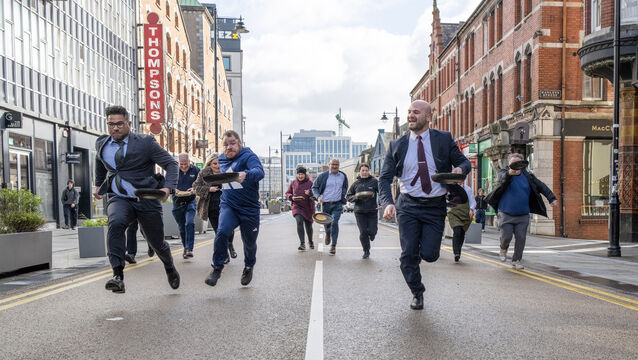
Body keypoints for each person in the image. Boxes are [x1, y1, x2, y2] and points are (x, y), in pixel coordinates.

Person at [379, 100, 470, 310]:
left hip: (434, 205)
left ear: (429, 117)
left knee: (430, 255)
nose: (411, 115)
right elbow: (384, 178)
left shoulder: (443, 139)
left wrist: (460, 170)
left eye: (416, 112)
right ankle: (417, 292)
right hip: (408, 205)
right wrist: (388, 204)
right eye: (409, 112)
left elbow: (463, 162)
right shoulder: (397, 145)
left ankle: (417, 252)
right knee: (408, 255)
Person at [92, 105, 180, 294]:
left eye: (119, 124)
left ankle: (169, 266)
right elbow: (100, 162)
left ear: (129, 123)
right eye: (111, 124)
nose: (115, 128)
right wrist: (98, 185)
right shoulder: (101, 143)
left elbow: (171, 164)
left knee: (157, 242)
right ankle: (118, 276)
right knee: (115, 224)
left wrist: (167, 187)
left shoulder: (145, 142)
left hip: (146, 198)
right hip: (119, 197)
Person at [204, 130, 264, 287]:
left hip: (249, 208)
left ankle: (249, 266)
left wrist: (247, 174)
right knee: (222, 232)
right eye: (225, 144)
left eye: (232, 143)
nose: (228, 147)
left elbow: (259, 172)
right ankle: (217, 268)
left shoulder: (248, 156)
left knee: (249, 243)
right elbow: (208, 173)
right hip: (229, 205)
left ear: (240, 143)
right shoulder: (222, 158)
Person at [486, 153, 558, 270]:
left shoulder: (528, 176)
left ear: (522, 165)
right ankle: (503, 248)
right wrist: (510, 173)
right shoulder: (503, 173)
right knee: (506, 236)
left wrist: (552, 198)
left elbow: (542, 186)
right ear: (509, 165)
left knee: (521, 238)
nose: (515, 166)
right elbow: (501, 180)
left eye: (517, 164)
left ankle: (517, 260)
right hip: (506, 213)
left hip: (523, 214)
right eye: (512, 164)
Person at [193, 152, 236, 264]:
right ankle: (225, 255)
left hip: (227, 206)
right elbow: (196, 187)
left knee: (230, 230)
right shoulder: (204, 173)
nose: (217, 166)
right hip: (211, 206)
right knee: (219, 232)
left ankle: (230, 244)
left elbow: (237, 186)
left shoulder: (228, 171)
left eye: (219, 163)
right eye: (214, 164)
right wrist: (208, 189)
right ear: (210, 164)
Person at [312, 158, 348, 255]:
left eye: (336, 164)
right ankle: (328, 233)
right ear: (329, 165)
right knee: (327, 224)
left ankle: (333, 246)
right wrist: (318, 196)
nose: (334, 166)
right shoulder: (323, 176)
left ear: (339, 165)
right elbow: (314, 187)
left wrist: (342, 196)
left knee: (334, 223)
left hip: (337, 204)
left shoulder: (343, 176)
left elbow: (345, 187)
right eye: (333, 164)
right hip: (326, 205)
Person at [346, 163, 380, 259]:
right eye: (363, 170)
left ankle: (372, 234)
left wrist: (381, 203)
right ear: (359, 172)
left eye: (366, 170)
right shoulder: (355, 184)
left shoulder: (374, 182)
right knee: (363, 232)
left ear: (369, 171)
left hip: (372, 211)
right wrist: (356, 197)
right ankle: (366, 250)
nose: (364, 172)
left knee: (372, 231)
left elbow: (381, 192)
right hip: (359, 211)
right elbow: (348, 197)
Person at [172, 153, 200, 259]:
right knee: (182, 228)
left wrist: (195, 190)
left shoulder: (196, 170)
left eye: (186, 164)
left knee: (189, 223)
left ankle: (189, 249)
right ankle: (185, 247)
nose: (184, 166)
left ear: (189, 161)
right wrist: (174, 190)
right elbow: (167, 185)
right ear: (178, 163)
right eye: (181, 164)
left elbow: (201, 184)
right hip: (177, 203)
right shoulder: (173, 171)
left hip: (190, 202)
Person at [285, 166, 315, 251]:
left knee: (308, 226)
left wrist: (310, 193)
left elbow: (315, 193)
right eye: (298, 174)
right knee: (299, 221)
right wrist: (291, 197)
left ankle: (310, 241)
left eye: (302, 174)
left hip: (308, 207)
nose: (300, 176)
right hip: (297, 206)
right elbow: (287, 193)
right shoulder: (293, 183)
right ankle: (302, 243)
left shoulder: (310, 183)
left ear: (305, 175)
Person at [446, 183, 476, 262]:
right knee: (457, 231)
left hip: (465, 214)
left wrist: (471, 209)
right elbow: (445, 199)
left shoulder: (467, 189)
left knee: (462, 233)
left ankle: (458, 251)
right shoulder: (449, 189)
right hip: (454, 213)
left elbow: (472, 201)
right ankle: (456, 253)